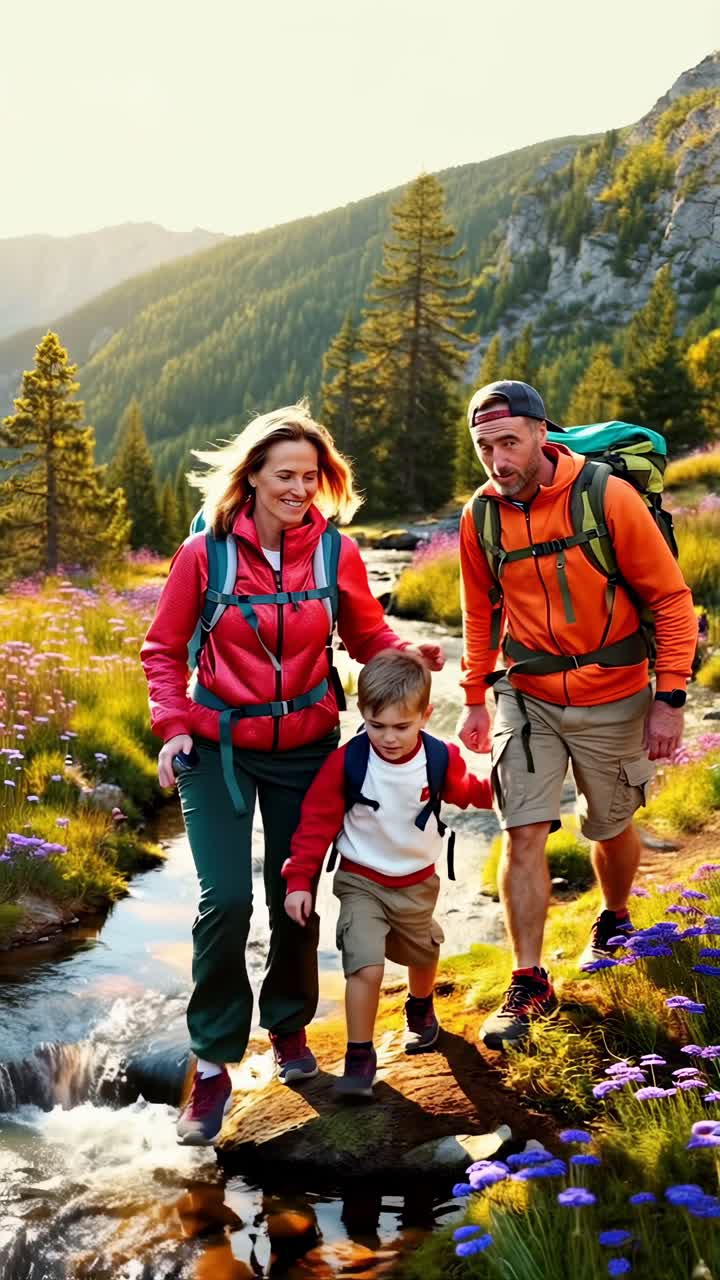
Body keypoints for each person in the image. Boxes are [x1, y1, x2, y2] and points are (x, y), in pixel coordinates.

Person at [140, 403, 444, 1144]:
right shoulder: (204, 555)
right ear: (250, 477)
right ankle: (212, 1064)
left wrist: (407, 656)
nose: (300, 489)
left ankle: (287, 1031)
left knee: (295, 896)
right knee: (225, 904)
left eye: (311, 476)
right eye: (285, 475)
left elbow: (366, 632)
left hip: (308, 747)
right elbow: (162, 653)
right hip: (216, 750)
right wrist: (173, 729)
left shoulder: (335, 552)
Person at [456, 379, 697, 1050]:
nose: (498, 460)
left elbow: (673, 601)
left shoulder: (606, 496)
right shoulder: (479, 516)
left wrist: (669, 697)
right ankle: (528, 980)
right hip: (525, 694)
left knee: (611, 824)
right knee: (523, 830)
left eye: (509, 442)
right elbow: (480, 613)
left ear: (541, 433)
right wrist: (475, 696)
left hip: (615, 692)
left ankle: (614, 916)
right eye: (484, 447)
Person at [282, 649, 492, 1099]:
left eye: (402, 726)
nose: (389, 738)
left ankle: (420, 1007)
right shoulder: (348, 762)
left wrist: (500, 791)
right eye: (377, 726)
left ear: (426, 715)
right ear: (363, 715)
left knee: (422, 951)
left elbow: (465, 791)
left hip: (417, 881)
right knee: (366, 967)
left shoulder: (439, 757)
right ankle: (359, 1057)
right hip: (361, 880)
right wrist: (299, 881)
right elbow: (315, 825)